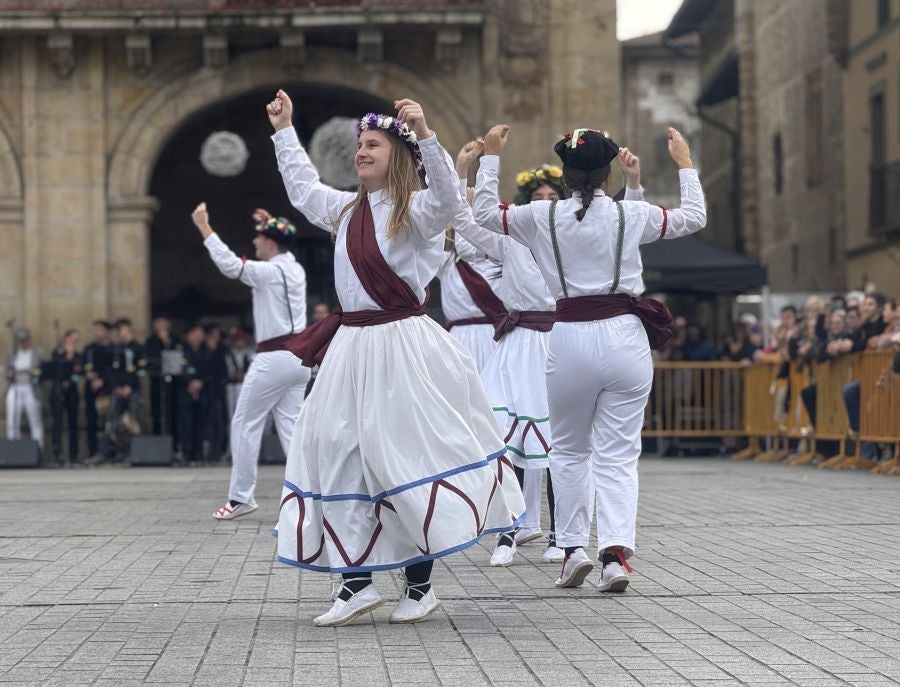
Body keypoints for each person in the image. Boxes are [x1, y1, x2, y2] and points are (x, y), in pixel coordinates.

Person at [267, 89, 525, 626]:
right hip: (351, 348)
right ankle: (355, 583)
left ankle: (420, 586)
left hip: (402, 346)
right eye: (360, 144)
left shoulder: (418, 210)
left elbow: (450, 199)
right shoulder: (345, 210)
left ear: (398, 156)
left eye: (373, 145)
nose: (361, 152)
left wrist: (426, 134)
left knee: (403, 460)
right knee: (337, 453)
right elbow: (302, 189)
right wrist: (284, 130)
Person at [473, 124, 705, 592]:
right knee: (618, 454)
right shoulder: (630, 214)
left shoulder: (541, 215)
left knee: (569, 449)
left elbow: (482, 213)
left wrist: (490, 158)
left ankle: (573, 549)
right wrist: (684, 162)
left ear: (565, 175)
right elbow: (694, 217)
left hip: (569, 336)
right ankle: (615, 556)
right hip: (625, 339)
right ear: (607, 174)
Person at [192, 204, 310, 519]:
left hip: (273, 358)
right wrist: (270, 222)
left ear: (270, 244)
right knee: (292, 429)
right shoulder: (295, 269)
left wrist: (205, 227)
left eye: (259, 238)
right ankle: (311, 494)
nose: (254, 242)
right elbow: (278, 240)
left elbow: (230, 265)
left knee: (245, 423)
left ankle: (241, 497)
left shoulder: (267, 273)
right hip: (299, 359)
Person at [48, 328, 83, 465]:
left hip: (72, 390)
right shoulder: (57, 353)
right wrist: (67, 356)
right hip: (58, 389)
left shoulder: (78, 355)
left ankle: (73, 455)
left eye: (76, 341)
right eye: (71, 339)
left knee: (73, 422)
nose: (73, 343)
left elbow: (78, 370)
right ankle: (57, 453)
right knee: (57, 422)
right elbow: (56, 369)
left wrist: (72, 356)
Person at [5, 327, 44, 448]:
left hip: (31, 387)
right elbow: (7, 370)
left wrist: (32, 372)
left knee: (35, 420)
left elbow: (44, 371)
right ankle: (13, 448)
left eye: (25, 340)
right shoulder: (13, 353)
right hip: (15, 386)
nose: (23, 343)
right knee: (12, 420)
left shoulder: (38, 353)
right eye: (21, 341)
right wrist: (9, 374)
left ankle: (38, 449)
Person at [144, 315, 181, 438]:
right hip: (156, 381)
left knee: (172, 411)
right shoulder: (150, 341)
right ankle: (157, 437)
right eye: (158, 323)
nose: (161, 326)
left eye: (163, 323)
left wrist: (166, 342)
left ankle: (174, 441)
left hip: (173, 382)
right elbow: (148, 359)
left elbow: (177, 358)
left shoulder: (175, 340)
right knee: (156, 412)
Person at [178, 323, 210, 464]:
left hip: (203, 391)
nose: (200, 337)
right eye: (197, 333)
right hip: (185, 390)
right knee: (186, 423)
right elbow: (179, 369)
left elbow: (210, 370)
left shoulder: (206, 350)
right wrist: (190, 382)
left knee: (201, 423)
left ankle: (199, 453)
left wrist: (200, 382)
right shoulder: (181, 350)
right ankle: (187, 453)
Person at [83, 320, 114, 458]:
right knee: (91, 420)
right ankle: (93, 451)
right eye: (95, 330)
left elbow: (114, 370)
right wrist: (88, 374)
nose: (97, 333)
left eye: (100, 330)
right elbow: (83, 365)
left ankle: (110, 451)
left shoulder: (113, 349)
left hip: (107, 389)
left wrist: (103, 380)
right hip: (91, 389)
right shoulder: (89, 348)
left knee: (109, 421)